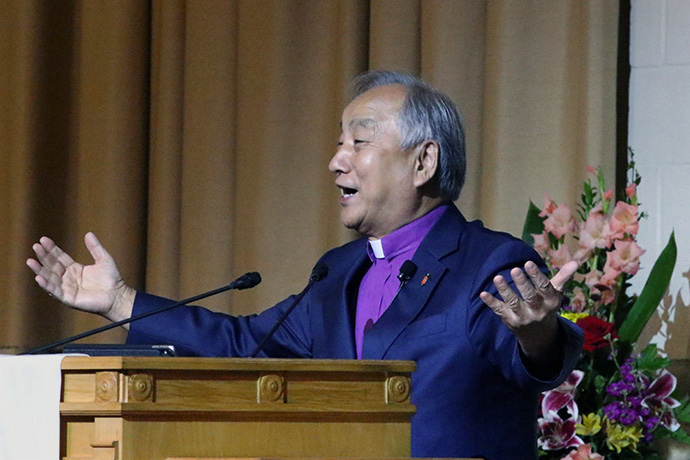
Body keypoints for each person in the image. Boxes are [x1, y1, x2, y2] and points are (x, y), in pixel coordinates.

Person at [27, 70, 583, 460]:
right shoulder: (337, 273)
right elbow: (245, 346)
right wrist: (121, 301)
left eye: (359, 142)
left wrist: (538, 337)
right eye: (339, 142)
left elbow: (533, 360)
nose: (336, 160)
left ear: (424, 161)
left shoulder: (489, 262)